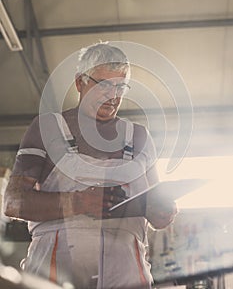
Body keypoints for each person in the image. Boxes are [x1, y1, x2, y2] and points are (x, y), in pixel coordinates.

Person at [3, 42, 177, 289]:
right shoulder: (47, 129)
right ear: (79, 82)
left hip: (126, 273)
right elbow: (12, 202)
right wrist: (79, 202)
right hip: (54, 273)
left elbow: (156, 206)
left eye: (121, 87)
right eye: (104, 85)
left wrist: (162, 212)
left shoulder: (139, 138)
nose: (113, 96)